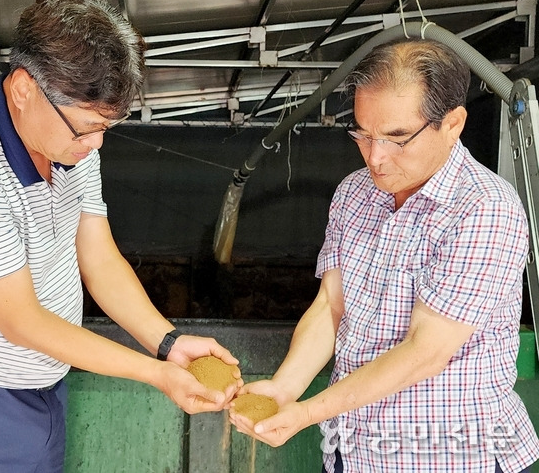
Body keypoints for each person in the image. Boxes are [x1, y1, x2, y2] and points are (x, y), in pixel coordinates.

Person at [0, 0, 241, 473]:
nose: (96, 143)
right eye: (85, 127)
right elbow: (23, 322)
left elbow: (98, 257)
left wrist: (167, 342)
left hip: (43, 385)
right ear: (22, 89)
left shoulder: (69, 144)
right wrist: (157, 374)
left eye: (107, 126)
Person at [230, 38, 539, 473]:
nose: (376, 158)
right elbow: (331, 308)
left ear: (453, 124)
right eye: (363, 133)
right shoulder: (354, 194)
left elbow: (425, 352)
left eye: (397, 138)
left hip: (450, 455)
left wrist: (306, 413)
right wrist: (284, 388)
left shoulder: (485, 209)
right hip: (354, 451)